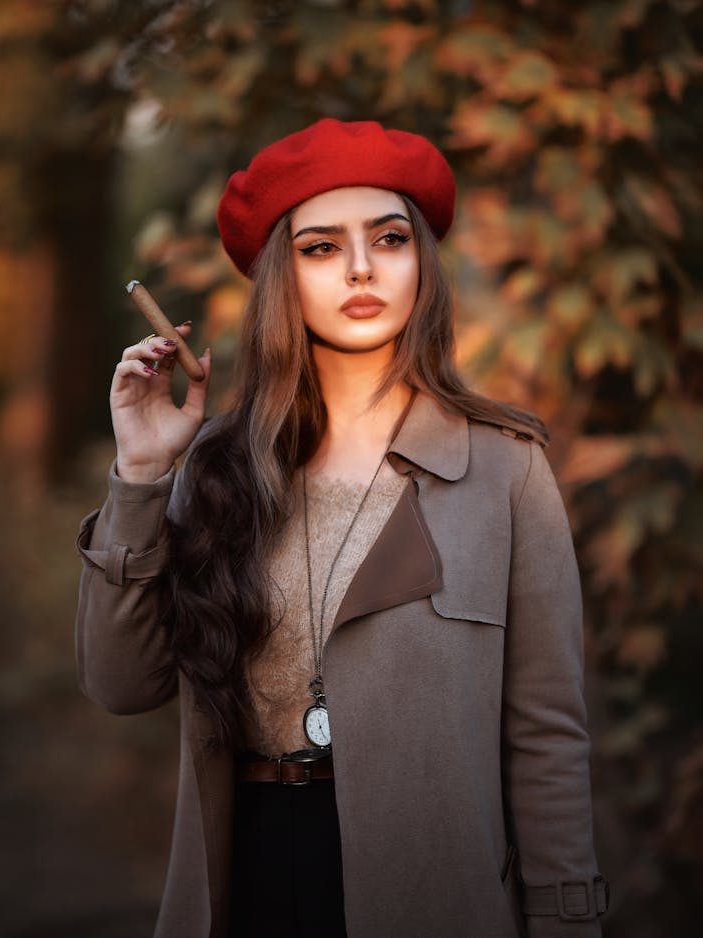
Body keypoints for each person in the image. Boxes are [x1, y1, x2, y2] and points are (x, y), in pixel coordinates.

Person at [75, 118, 608, 938]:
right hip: (248, 883)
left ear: (420, 264)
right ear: (280, 278)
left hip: (437, 896)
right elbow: (121, 685)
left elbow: (546, 740)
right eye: (321, 247)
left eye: (389, 239)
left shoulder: (507, 470)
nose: (361, 267)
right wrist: (143, 476)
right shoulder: (219, 465)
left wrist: (566, 922)